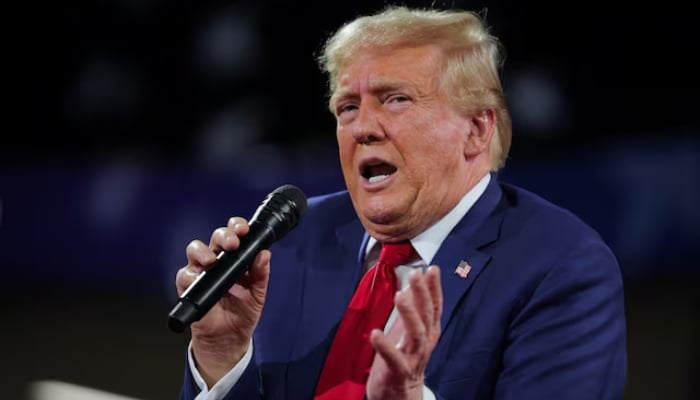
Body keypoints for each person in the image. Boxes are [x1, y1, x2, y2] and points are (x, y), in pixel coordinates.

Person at [174, 5, 627, 400]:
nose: (362, 127)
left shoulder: (562, 266)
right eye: (348, 107)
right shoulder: (295, 240)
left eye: (395, 100)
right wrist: (222, 360)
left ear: (476, 129)